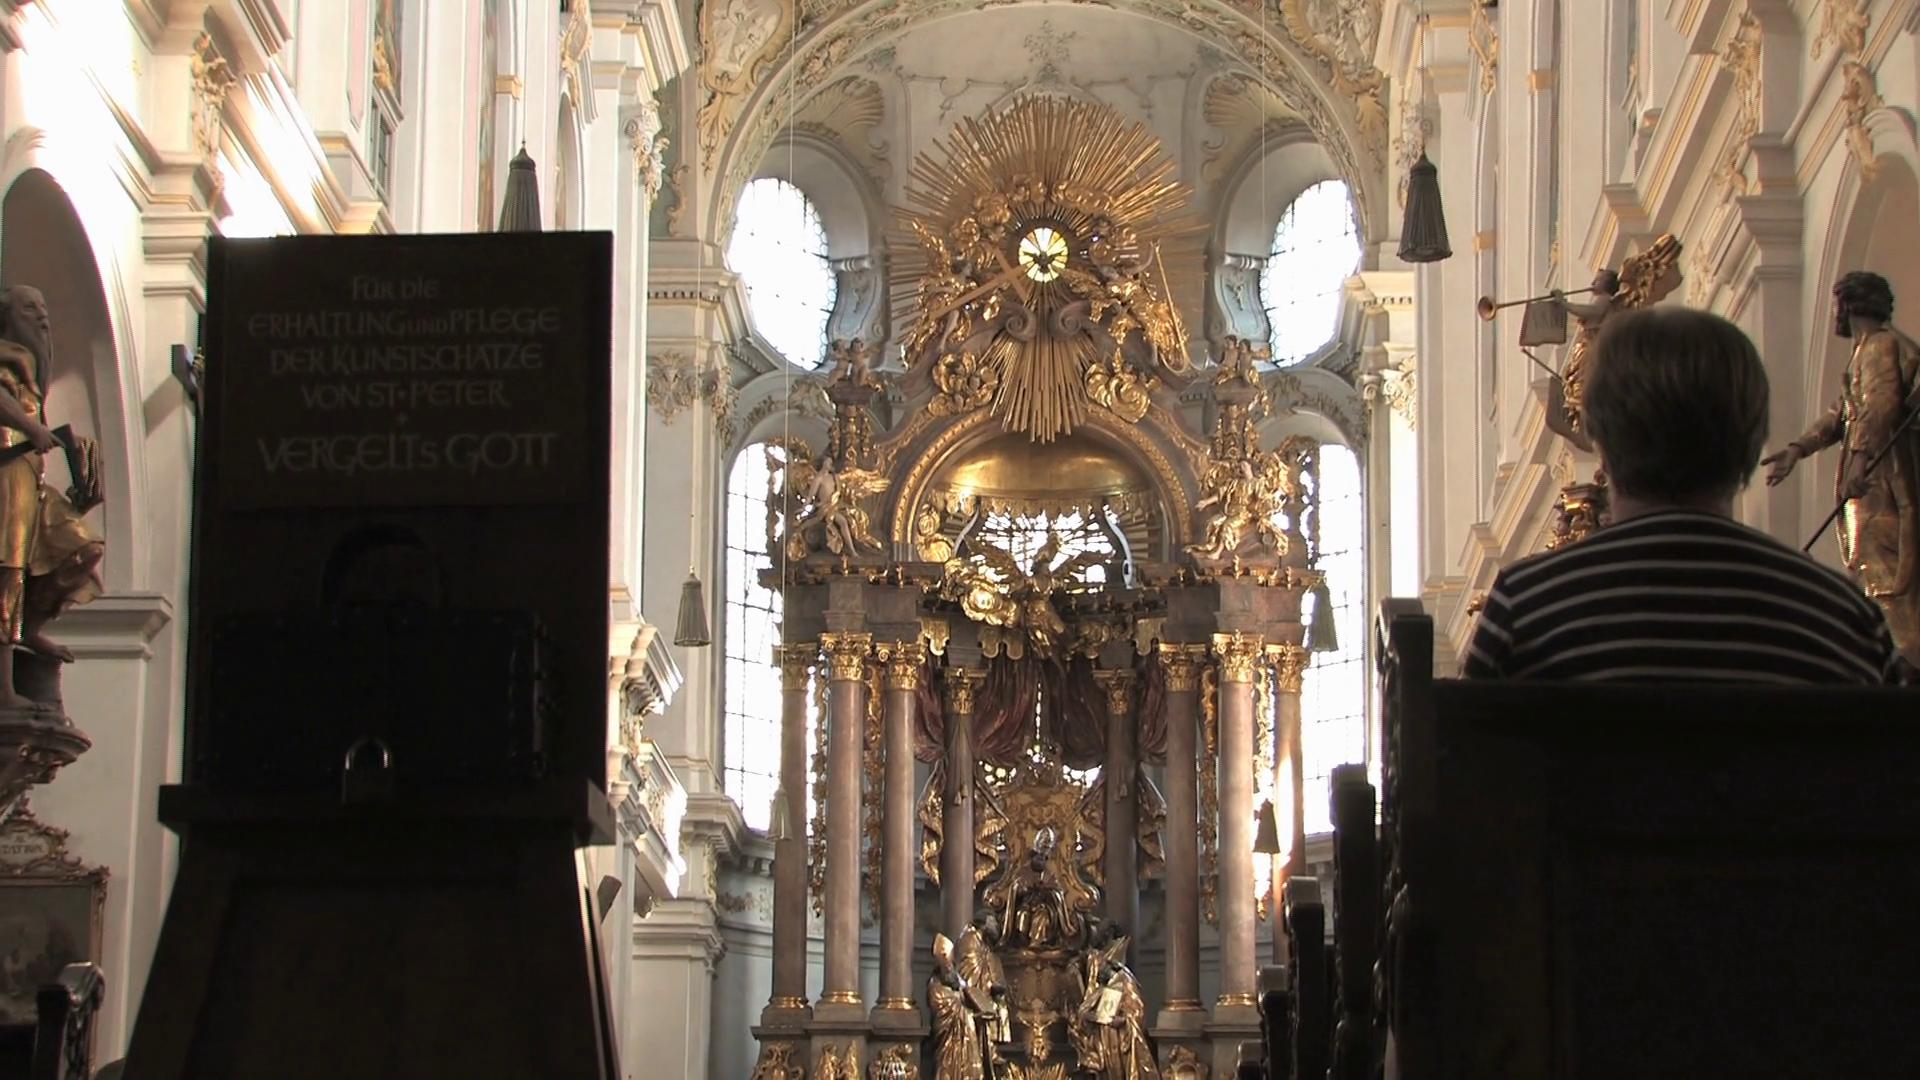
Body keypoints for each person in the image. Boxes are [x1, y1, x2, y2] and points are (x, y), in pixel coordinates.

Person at [1465, 307, 1902, 683]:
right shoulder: (1844, 620)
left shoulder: (1526, 609)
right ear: (1753, 441)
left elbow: (1460, 752)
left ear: (1600, 442)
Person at [1763, 271, 1920, 666]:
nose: (1834, 312)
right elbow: (1840, 413)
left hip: (1883, 480)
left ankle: (1904, 661)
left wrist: (1861, 463)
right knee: (1869, 567)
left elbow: (1881, 404)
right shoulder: (1864, 350)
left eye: (1836, 303)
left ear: (1849, 304)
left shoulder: (1880, 345)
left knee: (1884, 572)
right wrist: (1798, 449)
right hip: (1872, 477)